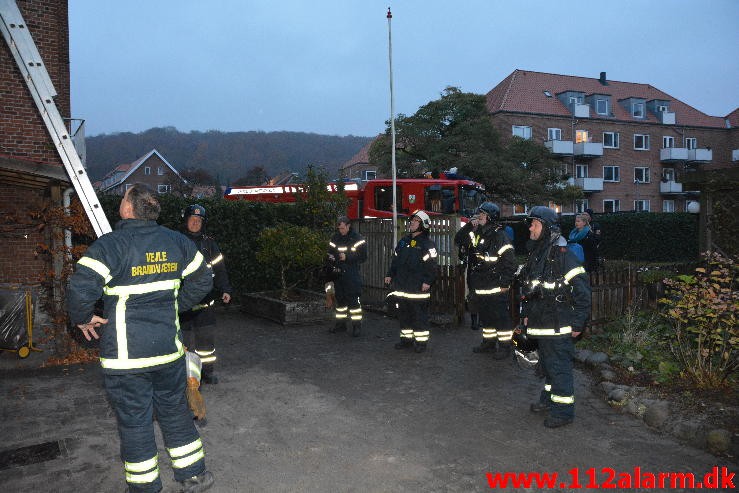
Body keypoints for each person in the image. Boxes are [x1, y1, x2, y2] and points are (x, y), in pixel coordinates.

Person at [66, 184, 216, 492]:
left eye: (123, 198)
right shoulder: (177, 242)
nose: (121, 202)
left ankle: (146, 486)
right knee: (175, 412)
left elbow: (80, 289)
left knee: (135, 422)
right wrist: (175, 304)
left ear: (128, 209)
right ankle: (194, 476)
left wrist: (82, 318)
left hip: (125, 358)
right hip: (167, 353)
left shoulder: (110, 246)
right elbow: (203, 280)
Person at [519, 206, 591, 428]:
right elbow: (531, 292)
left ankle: (563, 412)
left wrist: (578, 323)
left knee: (559, 370)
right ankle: (549, 401)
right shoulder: (537, 255)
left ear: (547, 227)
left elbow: (583, 292)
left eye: (535, 224)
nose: (530, 228)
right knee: (548, 368)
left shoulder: (563, 256)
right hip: (541, 326)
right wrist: (526, 318)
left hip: (558, 328)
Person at [179, 204, 233, 385]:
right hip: (182, 306)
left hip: (205, 304)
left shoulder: (210, 244)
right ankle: (182, 375)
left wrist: (225, 289)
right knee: (181, 344)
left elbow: (220, 269)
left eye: (199, 220)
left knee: (206, 345)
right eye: (192, 219)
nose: (195, 223)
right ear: (185, 221)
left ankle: (206, 372)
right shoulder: (176, 243)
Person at [455, 202, 517, 358]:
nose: (479, 216)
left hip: (495, 286)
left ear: (490, 217)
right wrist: (469, 226)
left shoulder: (500, 236)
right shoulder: (478, 233)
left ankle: (505, 347)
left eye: (482, 214)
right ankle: (489, 343)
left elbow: (510, 263)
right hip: (481, 284)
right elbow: (458, 239)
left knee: (500, 318)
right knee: (486, 316)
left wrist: (504, 283)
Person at [384, 210, 438, 353]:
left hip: (418, 288)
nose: (411, 223)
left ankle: (421, 343)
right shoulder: (404, 241)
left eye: (415, 221)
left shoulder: (428, 244)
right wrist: (390, 274)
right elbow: (395, 261)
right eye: (411, 220)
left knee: (419, 317)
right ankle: (406, 340)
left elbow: (432, 266)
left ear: (423, 225)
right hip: (402, 287)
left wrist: (427, 281)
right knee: (404, 315)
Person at [326, 216, 367, 336]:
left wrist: (347, 257)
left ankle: (356, 327)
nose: (341, 231)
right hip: (338, 274)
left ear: (348, 226)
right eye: (339, 228)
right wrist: (330, 258)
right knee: (340, 302)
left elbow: (363, 257)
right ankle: (340, 325)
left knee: (354, 302)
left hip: (351, 274)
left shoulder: (358, 238)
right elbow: (330, 252)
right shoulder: (335, 237)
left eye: (343, 228)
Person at [454, 212, 481, 331]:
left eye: (477, 221)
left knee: (484, 295)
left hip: (485, 268)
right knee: (473, 295)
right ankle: (474, 320)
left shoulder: (485, 232)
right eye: (473, 221)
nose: (475, 223)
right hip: (472, 268)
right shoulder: (468, 233)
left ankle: (482, 319)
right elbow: (457, 238)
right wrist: (469, 225)